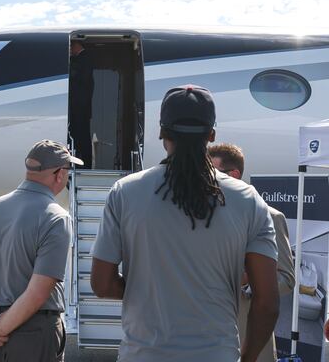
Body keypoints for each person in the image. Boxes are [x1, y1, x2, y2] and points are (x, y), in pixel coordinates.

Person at [91, 85, 280, 362]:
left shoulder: (125, 192)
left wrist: (146, 291)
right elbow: (267, 302)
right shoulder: (247, 199)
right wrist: (248, 357)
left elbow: (101, 284)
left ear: (162, 133)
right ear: (211, 135)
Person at [0, 139, 83, 361]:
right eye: (67, 169)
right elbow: (37, 293)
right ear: (58, 174)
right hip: (34, 332)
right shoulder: (56, 217)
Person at [209, 143, 295, 362]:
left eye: (213, 173)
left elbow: (287, 277)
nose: (206, 180)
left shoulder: (270, 216)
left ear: (234, 175)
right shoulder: (203, 217)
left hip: (251, 337)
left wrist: (248, 284)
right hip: (208, 338)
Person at [69, 39, 94, 168]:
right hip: (82, 108)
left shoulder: (84, 59)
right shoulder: (83, 59)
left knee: (81, 137)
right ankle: (82, 163)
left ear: (76, 46)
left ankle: (84, 164)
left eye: (70, 48)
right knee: (80, 136)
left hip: (80, 107)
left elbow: (79, 77)